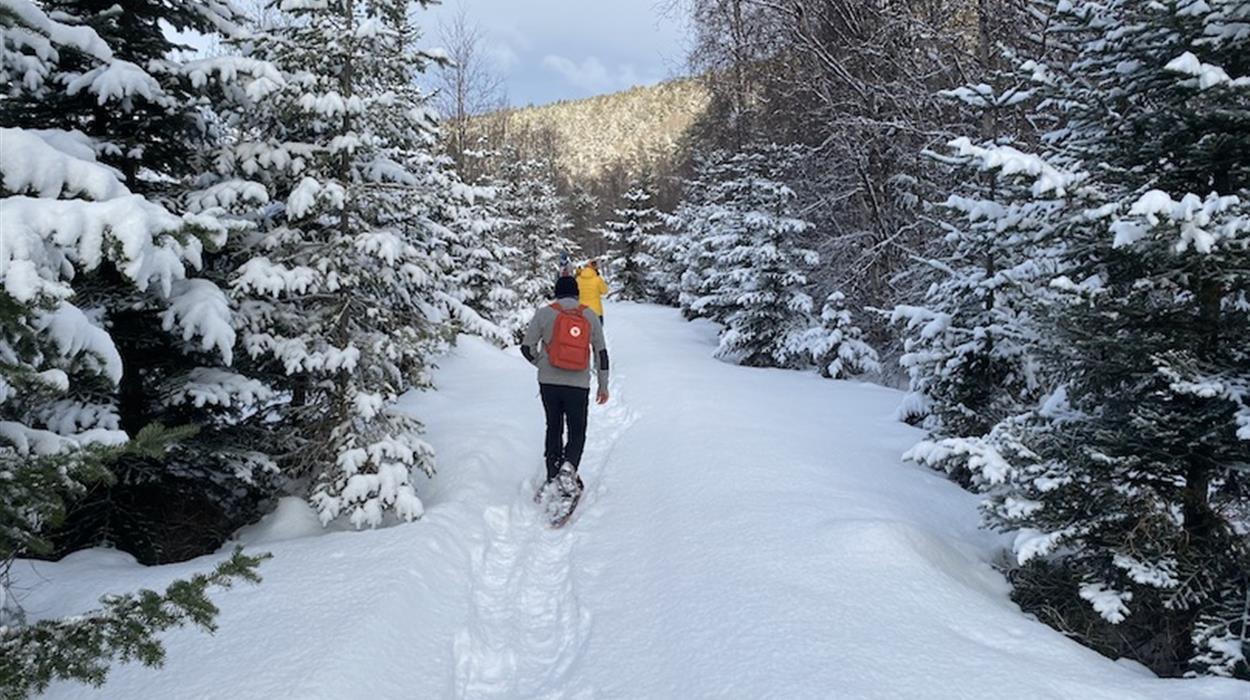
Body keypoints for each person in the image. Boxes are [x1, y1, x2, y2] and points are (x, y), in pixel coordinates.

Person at [521, 275, 610, 495]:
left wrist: (542, 364)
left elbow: (526, 347)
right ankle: (569, 468)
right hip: (578, 384)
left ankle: (553, 473)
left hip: (548, 383)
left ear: (556, 293)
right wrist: (603, 385)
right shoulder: (589, 315)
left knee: (553, 426)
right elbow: (601, 353)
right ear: (577, 293)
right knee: (577, 428)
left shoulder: (544, 313)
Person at [576, 260, 609, 324]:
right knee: (597, 329)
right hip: (596, 311)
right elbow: (605, 291)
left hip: (582, 311)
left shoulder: (578, 279)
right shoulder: (597, 279)